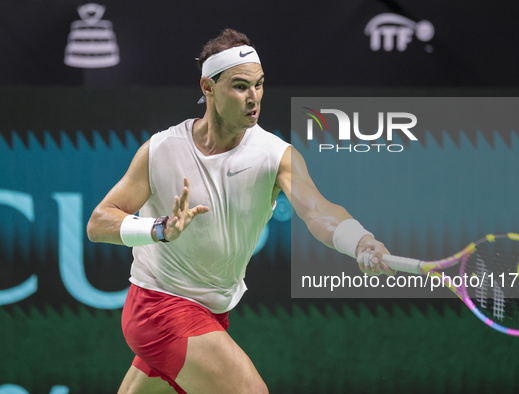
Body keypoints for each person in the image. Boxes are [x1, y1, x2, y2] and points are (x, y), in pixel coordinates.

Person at [87, 28, 394, 394]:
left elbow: (318, 211)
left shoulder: (273, 155)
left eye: (260, 85)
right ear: (208, 88)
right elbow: (99, 221)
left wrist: (359, 239)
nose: (254, 98)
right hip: (159, 307)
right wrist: (158, 228)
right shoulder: (162, 150)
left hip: (211, 311)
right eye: (240, 86)